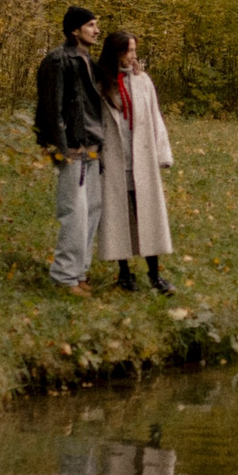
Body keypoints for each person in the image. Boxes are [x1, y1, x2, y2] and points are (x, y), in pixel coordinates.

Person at [90, 27, 175, 293]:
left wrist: (162, 153)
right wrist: (95, 154)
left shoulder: (143, 81)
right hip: (114, 159)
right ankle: (124, 273)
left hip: (142, 158)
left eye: (135, 51)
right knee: (118, 217)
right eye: (128, 51)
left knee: (147, 216)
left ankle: (154, 274)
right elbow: (93, 122)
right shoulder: (100, 83)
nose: (132, 56)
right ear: (115, 53)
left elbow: (155, 116)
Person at [32, 7, 107, 294]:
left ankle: (79, 274)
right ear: (74, 30)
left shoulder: (89, 61)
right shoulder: (58, 60)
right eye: (91, 25)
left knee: (92, 210)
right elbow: (52, 108)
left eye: (96, 25)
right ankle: (64, 276)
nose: (96, 30)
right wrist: (60, 149)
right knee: (73, 212)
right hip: (71, 148)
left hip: (91, 146)